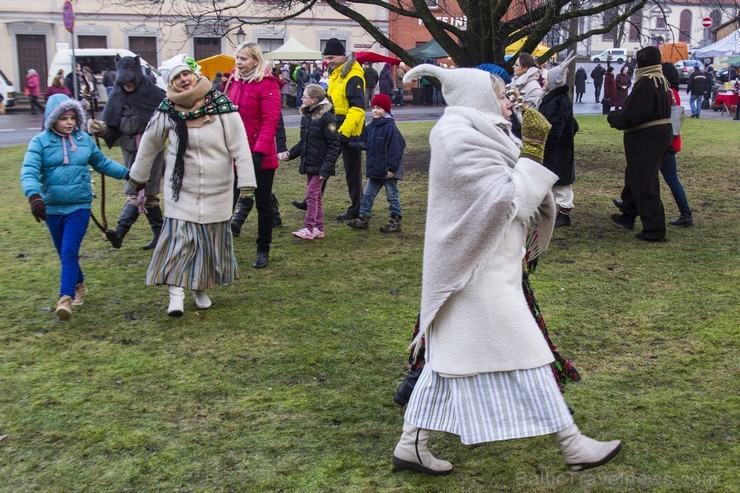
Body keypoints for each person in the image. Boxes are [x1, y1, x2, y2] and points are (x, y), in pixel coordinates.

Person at [391, 64, 622, 475]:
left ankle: (411, 445)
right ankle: (573, 446)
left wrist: (527, 150)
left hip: (485, 266)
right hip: (474, 270)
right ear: (479, 97)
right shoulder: (457, 135)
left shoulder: (481, 132)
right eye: (500, 94)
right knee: (529, 353)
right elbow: (507, 201)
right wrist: (534, 150)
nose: (507, 102)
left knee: (445, 363)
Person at [128, 54, 256, 316]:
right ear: (171, 83)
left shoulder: (222, 105)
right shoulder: (166, 110)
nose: (183, 80)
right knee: (179, 242)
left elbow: (240, 146)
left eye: (186, 74)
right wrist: (137, 177)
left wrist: (247, 182)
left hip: (217, 188)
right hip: (181, 188)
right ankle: (176, 293)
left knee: (208, 245)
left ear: (195, 74)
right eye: (176, 77)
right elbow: (150, 144)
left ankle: (200, 288)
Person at [20, 94, 130, 320]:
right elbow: (29, 170)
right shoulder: (40, 142)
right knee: (64, 253)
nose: (69, 122)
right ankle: (79, 284)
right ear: (52, 119)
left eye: (72, 117)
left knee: (69, 251)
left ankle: (65, 298)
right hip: (51, 208)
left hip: (78, 207)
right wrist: (34, 197)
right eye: (63, 118)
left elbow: (102, 163)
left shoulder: (83, 140)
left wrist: (130, 175)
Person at [88, 56, 167, 251]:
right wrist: (101, 129)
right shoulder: (117, 95)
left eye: (131, 80)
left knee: (139, 189)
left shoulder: (154, 94)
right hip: (129, 148)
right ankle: (161, 234)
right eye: (124, 81)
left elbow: (167, 123)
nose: (128, 84)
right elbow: (113, 130)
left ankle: (120, 233)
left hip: (152, 147)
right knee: (144, 193)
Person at [225, 42, 282, 269]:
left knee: (263, 203)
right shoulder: (233, 82)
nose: (239, 62)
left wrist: (258, 152)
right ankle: (219, 243)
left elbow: (270, 122)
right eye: (237, 58)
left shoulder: (267, 85)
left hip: (259, 154)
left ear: (256, 61)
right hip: (234, 152)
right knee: (227, 199)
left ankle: (263, 249)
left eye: (244, 58)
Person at [614, 62, 693, 227]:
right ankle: (629, 210)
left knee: (662, 179)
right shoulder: (668, 91)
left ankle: (685, 213)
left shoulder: (666, 91)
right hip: (666, 141)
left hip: (663, 143)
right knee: (638, 176)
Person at [608, 46, 672, 242]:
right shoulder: (661, 80)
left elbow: (634, 113)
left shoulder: (646, 82)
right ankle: (628, 212)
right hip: (657, 135)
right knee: (635, 174)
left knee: (645, 181)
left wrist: (614, 118)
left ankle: (654, 230)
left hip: (647, 137)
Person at [278, 84, 340, 240]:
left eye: (304, 96)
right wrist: (290, 155)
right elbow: (303, 142)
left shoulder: (327, 117)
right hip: (311, 163)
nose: (301, 98)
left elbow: (334, 145)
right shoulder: (307, 116)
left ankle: (309, 227)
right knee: (316, 195)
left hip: (320, 165)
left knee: (311, 195)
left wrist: (325, 169)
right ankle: (318, 228)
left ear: (313, 100)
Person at [347, 94, 406, 233]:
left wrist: (392, 168)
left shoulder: (390, 128)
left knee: (392, 196)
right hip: (375, 169)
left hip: (387, 171)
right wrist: (349, 142)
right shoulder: (371, 127)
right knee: (368, 194)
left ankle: (395, 220)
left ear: (386, 109)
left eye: (379, 108)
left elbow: (396, 149)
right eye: (373, 107)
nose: (375, 110)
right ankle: (363, 218)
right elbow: (365, 143)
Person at [322, 38, 366, 221]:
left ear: (342, 56)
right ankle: (311, 200)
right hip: (335, 125)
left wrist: (344, 133)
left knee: (352, 171)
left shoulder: (353, 75)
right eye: (326, 57)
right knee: (323, 163)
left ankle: (356, 208)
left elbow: (357, 109)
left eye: (331, 57)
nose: (328, 61)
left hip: (349, 130)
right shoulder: (336, 74)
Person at [539, 53, 579, 227]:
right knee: (553, 179)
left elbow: (555, 128)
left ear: (554, 81)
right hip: (555, 148)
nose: (543, 82)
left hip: (557, 149)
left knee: (561, 183)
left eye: (546, 79)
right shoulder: (554, 99)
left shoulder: (559, 101)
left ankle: (564, 213)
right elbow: (574, 125)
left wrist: (547, 142)